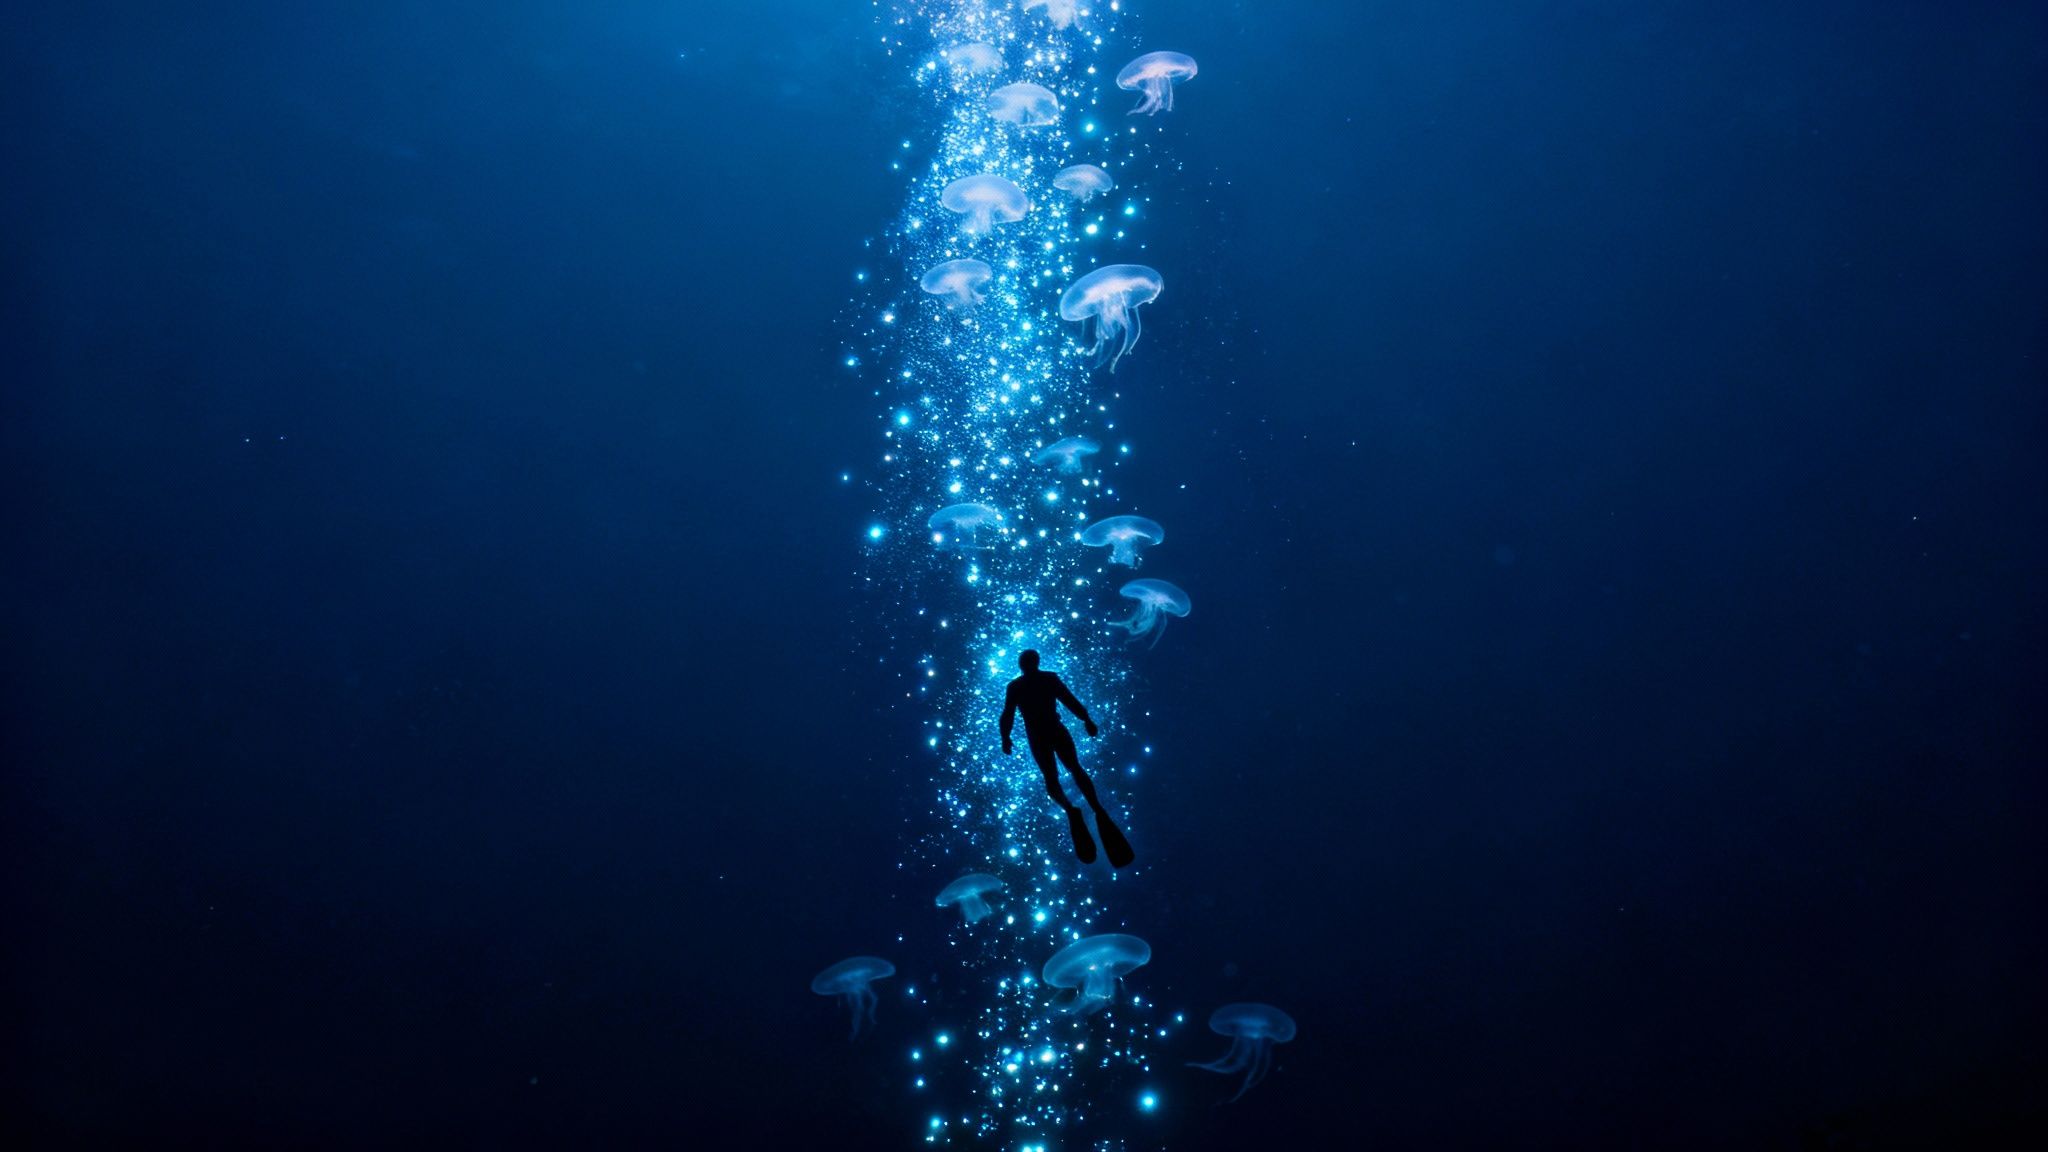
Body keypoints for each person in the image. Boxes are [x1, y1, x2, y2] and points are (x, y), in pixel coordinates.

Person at [1000, 650, 1134, 868]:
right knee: (1071, 770)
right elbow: (1069, 700)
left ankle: (1073, 809)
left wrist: (1005, 737)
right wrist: (1086, 719)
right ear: (1035, 663)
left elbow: (1009, 714)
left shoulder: (1018, 686)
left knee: (1054, 778)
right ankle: (1092, 808)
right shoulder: (1043, 680)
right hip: (1053, 731)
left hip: (1041, 736)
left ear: (1023, 665)